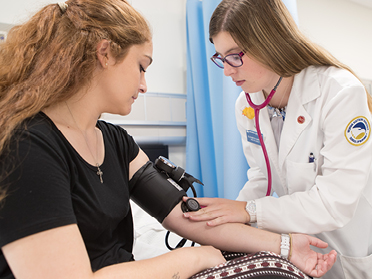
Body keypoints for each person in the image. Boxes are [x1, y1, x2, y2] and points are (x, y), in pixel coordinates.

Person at [0, 0, 337, 278]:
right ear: (105, 54)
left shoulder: (116, 142)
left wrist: (285, 247)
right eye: (141, 66)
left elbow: (187, 216)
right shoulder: (26, 146)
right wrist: (191, 259)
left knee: (277, 270)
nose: (145, 84)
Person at [182, 0, 372, 278]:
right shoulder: (246, 105)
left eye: (235, 55)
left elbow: (335, 202)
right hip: (298, 249)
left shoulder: (340, 93)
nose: (226, 70)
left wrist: (248, 211)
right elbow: (262, 176)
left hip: (346, 249)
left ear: (269, 42)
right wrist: (225, 225)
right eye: (221, 57)